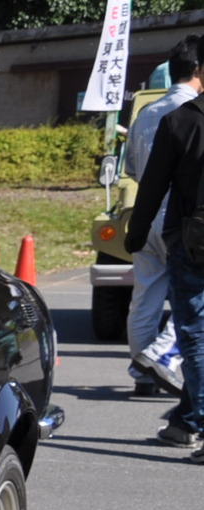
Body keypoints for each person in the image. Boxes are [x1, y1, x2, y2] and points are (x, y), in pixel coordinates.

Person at [126, 62, 204, 456]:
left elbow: (150, 183)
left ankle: (192, 418)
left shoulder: (179, 122)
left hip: (190, 239)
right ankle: (186, 420)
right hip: (186, 238)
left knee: (192, 331)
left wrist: (136, 234)